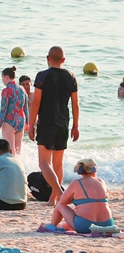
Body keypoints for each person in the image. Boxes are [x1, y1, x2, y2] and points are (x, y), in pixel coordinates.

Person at [29, 46, 79, 205]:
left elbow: (36, 103)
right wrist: (76, 126)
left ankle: (58, 191)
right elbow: (75, 105)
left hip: (47, 123)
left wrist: (31, 125)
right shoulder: (71, 76)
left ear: (47, 58)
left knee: (43, 163)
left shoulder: (42, 75)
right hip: (64, 123)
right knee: (58, 163)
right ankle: (53, 198)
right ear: (63, 60)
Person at [51, 159, 113, 233]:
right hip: (107, 224)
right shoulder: (101, 182)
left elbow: (63, 201)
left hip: (86, 226)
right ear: (94, 170)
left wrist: (72, 199)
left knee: (59, 205)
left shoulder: (77, 183)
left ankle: (52, 226)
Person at [0, 66, 27, 155]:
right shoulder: (22, 89)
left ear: (6, 77)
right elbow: (25, 107)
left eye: (2, 77)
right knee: (18, 151)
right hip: (21, 121)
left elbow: (3, 109)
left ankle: (11, 168)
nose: (2, 80)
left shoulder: (6, 91)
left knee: (10, 152)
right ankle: (20, 167)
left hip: (9, 121)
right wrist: (27, 123)